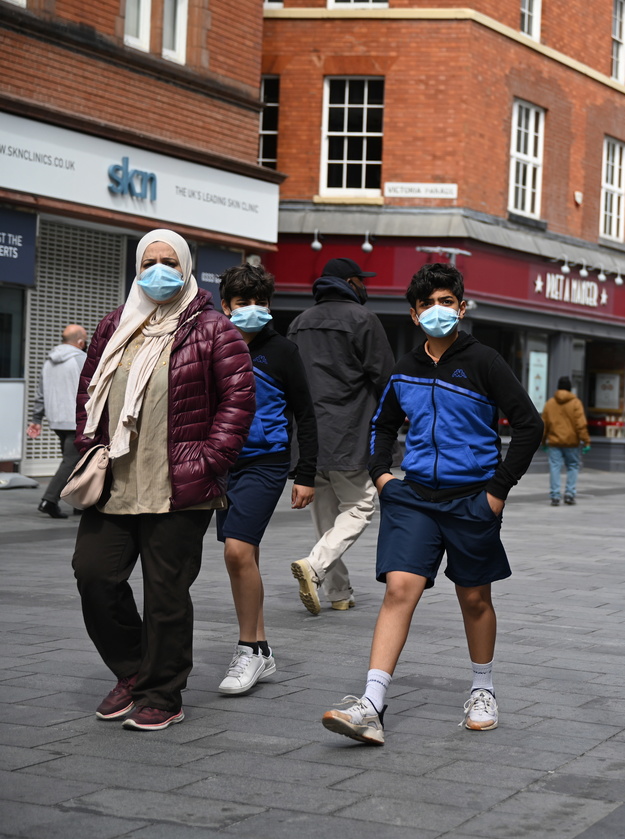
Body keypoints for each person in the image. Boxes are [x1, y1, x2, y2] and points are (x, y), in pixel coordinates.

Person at [320, 262, 543, 745]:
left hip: (472, 500)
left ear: (461, 308)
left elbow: (529, 425)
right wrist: (382, 477)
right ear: (414, 314)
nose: (437, 311)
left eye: (446, 302)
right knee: (400, 589)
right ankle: (371, 704)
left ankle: (482, 689)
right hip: (415, 498)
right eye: (427, 305)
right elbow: (382, 424)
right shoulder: (404, 369)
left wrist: (497, 492)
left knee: (474, 597)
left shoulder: (484, 362)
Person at [72, 229, 254, 731]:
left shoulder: (215, 329)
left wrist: (211, 460)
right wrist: (90, 450)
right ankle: (134, 671)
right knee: (93, 575)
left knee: (166, 593)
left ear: (187, 266)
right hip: (116, 482)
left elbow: (238, 402)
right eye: (149, 261)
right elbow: (91, 392)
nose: (158, 270)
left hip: (179, 485)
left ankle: (163, 692)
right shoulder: (116, 325)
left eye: (168, 261)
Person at [214, 263, 318, 695]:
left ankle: (247, 649)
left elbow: (306, 414)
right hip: (222, 463)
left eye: (261, 302)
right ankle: (261, 650)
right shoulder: (215, 345)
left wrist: (305, 473)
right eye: (244, 303)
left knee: (237, 552)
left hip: (267, 463)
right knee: (245, 555)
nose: (254, 309)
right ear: (226, 306)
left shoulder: (283, 351)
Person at [288, 257, 394, 615]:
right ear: (350, 281)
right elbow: (386, 380)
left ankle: (338, 593)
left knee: (326, 516)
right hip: (349, 434)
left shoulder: (300, 323)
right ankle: (316, 566)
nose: (365, 286)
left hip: (307, 439)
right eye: (361, 281)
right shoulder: (363, 320)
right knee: (361, 506)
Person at [27, 324, 88, 518]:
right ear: (80, 342)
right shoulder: (81, 359)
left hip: (57, 420)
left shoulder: (49, 361)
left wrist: (37, 418)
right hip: (77, 420)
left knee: (77, 462)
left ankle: (77, 503)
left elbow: (41, 392)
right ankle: (49, 500)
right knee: (71, 461)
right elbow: (92, 388)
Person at [541, 376, 590, 506]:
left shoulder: (550, 403)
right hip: (571, 442)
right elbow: (581, 424)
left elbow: (544, 424)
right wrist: (586, 441)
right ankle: (569, 494)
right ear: (570, 388)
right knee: (573, 466)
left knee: (555, 467)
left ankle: (555, 495)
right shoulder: (576, 403)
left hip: (554, 442)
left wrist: (543, 441)